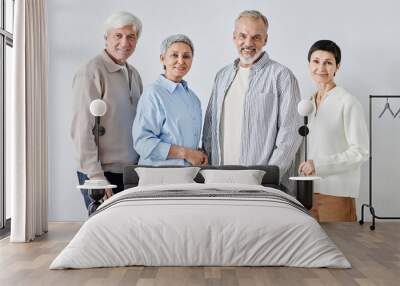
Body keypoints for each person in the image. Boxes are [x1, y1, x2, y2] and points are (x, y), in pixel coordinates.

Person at [202, 10, 302, 192]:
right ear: (234, 37)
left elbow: (290, 134)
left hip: (261, 185)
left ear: (265, 40)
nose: (248, 43)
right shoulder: (222, 76)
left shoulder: (282, 76)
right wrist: (210, 173)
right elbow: (209, 129)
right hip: (219, 181)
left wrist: (266, 178)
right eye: (243, 36)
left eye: (256, 37)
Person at [71, 11, 143, 209]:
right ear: (106, 38)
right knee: (104, 233)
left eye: (131, 36)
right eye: (118, 36)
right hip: (102, 173)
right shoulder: (91, 72)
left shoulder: (134, 74)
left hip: (129, 171)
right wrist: (96, 176)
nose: (124, 42)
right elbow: (81, 130)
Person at [298, 40, 369, 222]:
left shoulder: (348, 102)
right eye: (316, 61)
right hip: (306, 193)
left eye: (328, 62)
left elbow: (360, 152)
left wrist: (318, 165)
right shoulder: (307, 104)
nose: (321, 67)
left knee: (342, 247)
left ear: (337, 66)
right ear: (309, 65)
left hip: (337, 193)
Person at [132, 34, 208, 166]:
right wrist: (187, 153)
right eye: (174, 55)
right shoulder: (153, 94)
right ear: (162, 59)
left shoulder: (193, 99)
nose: (181, 61)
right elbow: (143, 143)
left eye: (186, 56)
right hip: (158, 177)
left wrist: (198, 153)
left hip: (187, 176)